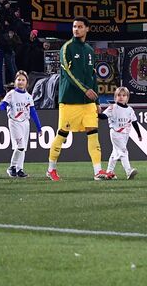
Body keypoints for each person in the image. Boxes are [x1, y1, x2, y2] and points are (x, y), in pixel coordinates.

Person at [46, 18, 108, 181]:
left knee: (93, 133)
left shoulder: (89, 50)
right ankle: (51, 168)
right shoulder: (66, 48)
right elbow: (68, 73)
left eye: (80, 27)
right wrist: (84, 89)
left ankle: (98, 171)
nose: (76, 29)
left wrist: (97, 102)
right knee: (62, 134)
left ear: (87, 29)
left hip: (87, 103)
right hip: (69, 100)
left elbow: (92, 77)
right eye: (74, 27)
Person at [0, 70, 42, 178]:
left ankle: (19, 169)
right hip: (14, 122)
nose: (21, 82)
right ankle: (12, 167)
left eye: (23, 80)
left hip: (25, 123)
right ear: (15, 82)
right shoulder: (11, 94)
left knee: (23, 148)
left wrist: (39, 127)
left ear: (26, 83)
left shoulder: (28, 96)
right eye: (18, 79)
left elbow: (33, 112)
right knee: (21, 146)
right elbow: (3, 104)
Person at [103, 85, 141, 180]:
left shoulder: (130, 110)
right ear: (115, 97)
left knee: (115, 152)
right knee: (123, 151)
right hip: (116, 133)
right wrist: (97, 113)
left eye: (124, 95)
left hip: (125, 135)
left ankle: (109, 172)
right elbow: (104, 116)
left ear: (127, 97)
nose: (121, 97)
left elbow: (134, 122)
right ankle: (128, 171)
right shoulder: (113, 107)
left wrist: (139, 134)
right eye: (119, 95)